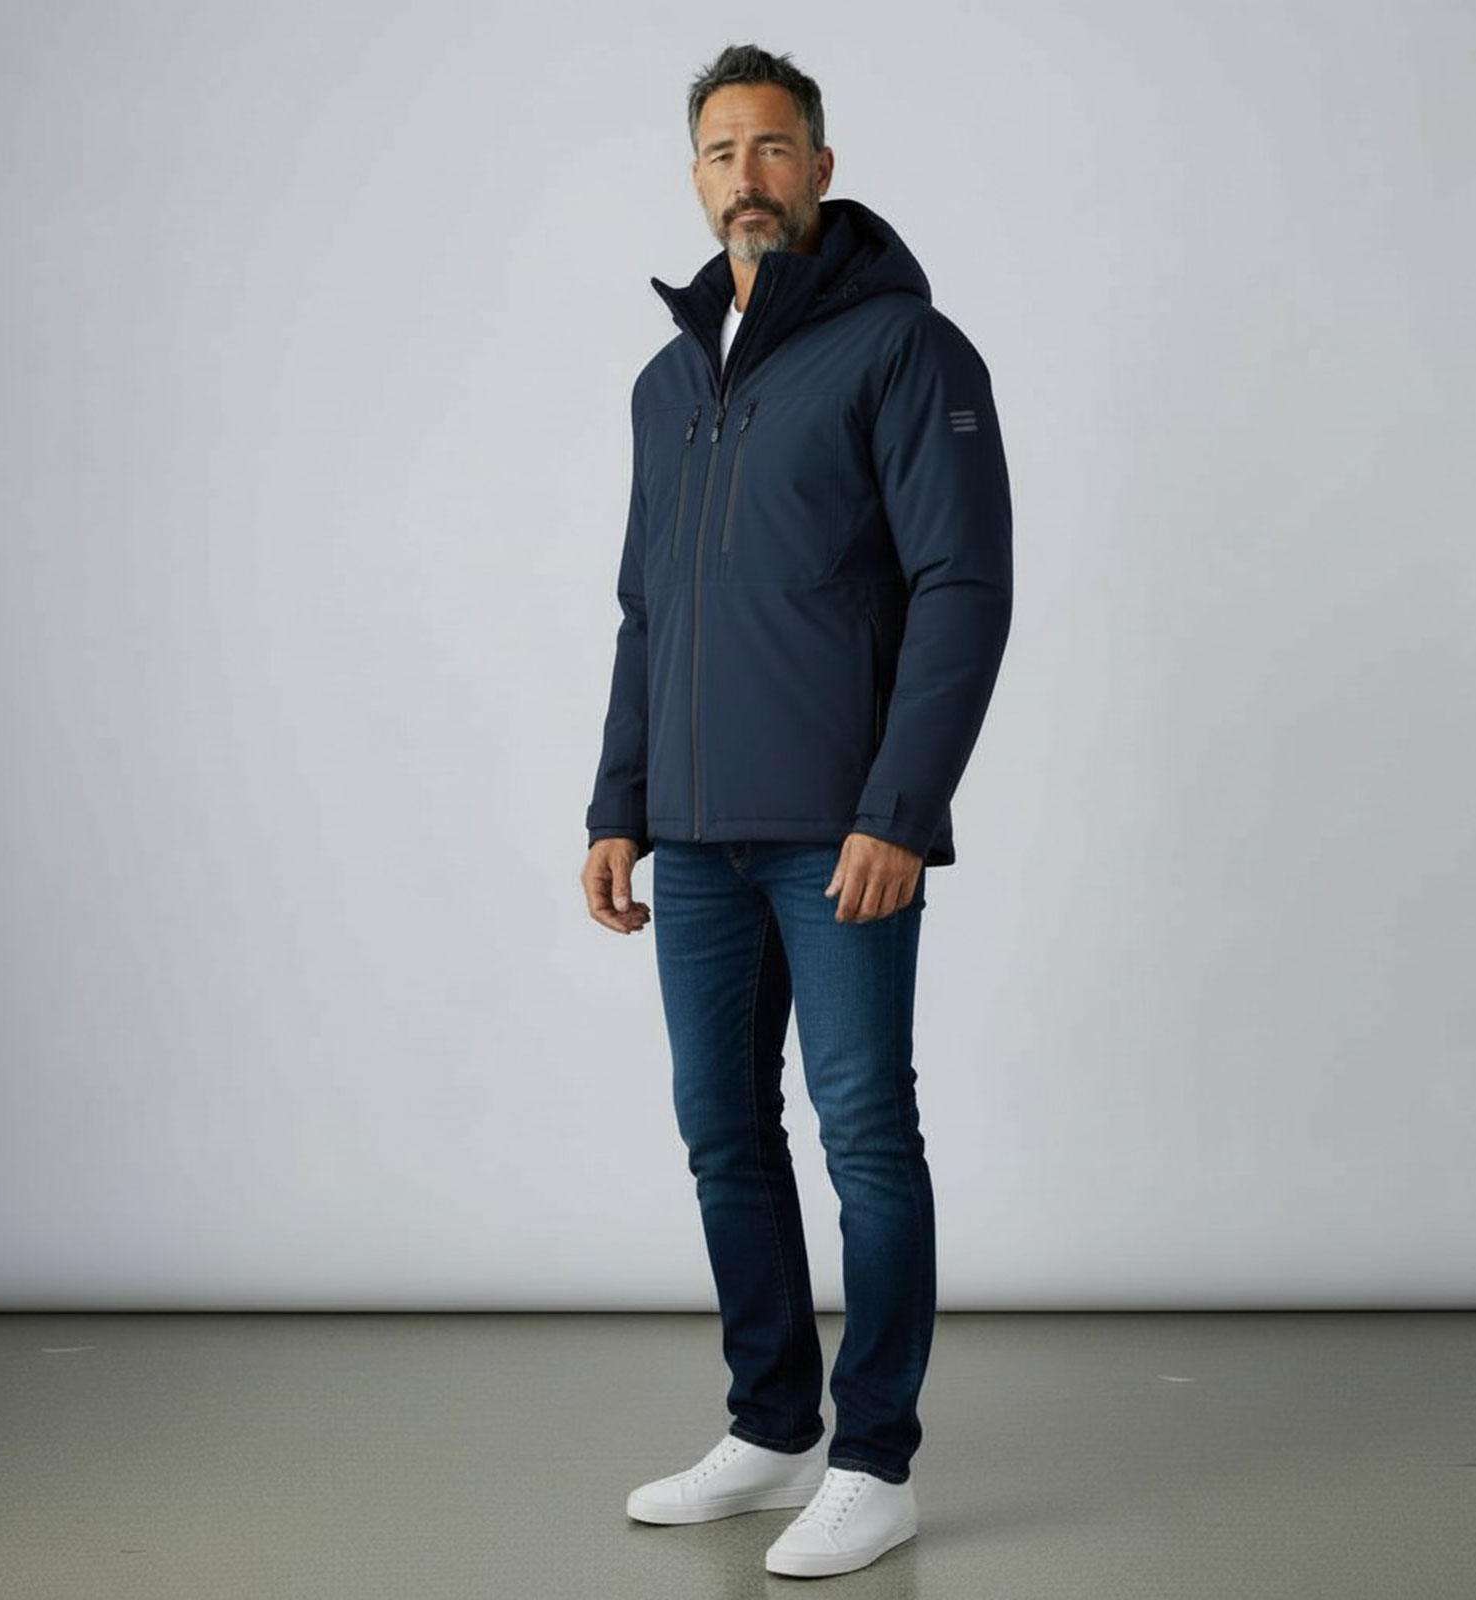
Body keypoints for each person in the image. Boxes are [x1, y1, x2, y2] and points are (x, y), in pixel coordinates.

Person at [580, 42, 1013, 1580]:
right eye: (721, 151)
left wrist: (901, 807)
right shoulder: (665, 386)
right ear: (696, 178)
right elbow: (648, 609)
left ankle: (874, 1461)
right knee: (721, 1131)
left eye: (772, 148)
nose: (747, 176)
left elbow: (963, 586)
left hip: (842, 833)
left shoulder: (908, 350)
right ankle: (770, 1426)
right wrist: (619, 801)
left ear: (819, 168)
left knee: (866, 1133)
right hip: (696, 840)